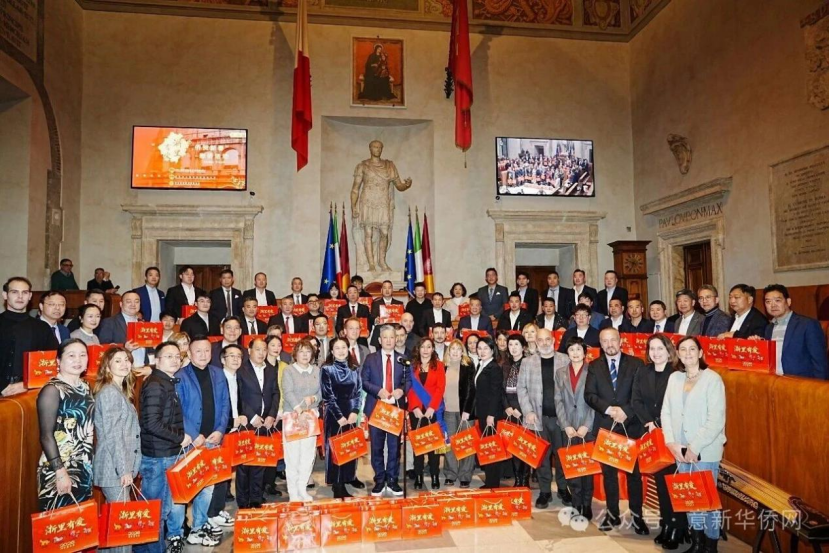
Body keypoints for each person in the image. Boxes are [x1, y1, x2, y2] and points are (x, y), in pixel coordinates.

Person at [662, 336, 726, 553]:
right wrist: (671, 443)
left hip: (704, 451)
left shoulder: (712, 379)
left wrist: (694, 447)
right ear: (678, 354)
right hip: (679, 451)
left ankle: (710, 545)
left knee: (707, 501)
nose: (687, 353)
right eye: (683, 349)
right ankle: (697, 543)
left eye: (692, 349)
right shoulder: (674, 378)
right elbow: (666, 412)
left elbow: (715, 420)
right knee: (690, 497)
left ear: (700, 353)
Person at [584, 327, 649, 535]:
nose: (609, 344)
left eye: (613, 340)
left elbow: (641, 394)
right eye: (605, 341)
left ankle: (637, 517)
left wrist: (626, 411)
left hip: (630, 426)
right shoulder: (594, 366)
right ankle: (612, 514)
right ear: (600, 344)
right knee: (609, 475)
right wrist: (609, 409)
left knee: (634, 476)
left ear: (620, 341)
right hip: (606, 428)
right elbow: (590, 395)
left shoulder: (636, 364)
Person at [631, 334, 687, 549]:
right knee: (661, 483)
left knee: (674, 483)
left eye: (660, 348)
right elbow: (636, 400)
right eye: (652, 349)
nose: (655, 353)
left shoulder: (677, 373)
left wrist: (660, 424)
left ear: (669, 350)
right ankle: (666, 524)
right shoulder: (642, 371)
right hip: (652, 434)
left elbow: (679, 405)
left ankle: (677, 528)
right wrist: (649, 423)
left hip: (672, 434)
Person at [176, 336, 230, 547]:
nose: (203, 354)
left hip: (213, 439)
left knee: (207, 488)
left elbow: (225, 404)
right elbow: (177, 410)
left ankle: (198, 527)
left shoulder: (218, 373)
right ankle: (179, 531)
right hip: (191, 441)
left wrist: (220, 430)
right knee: (187, 488)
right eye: (198, 351)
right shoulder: (180, 376)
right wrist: (193, 433)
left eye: (207, 350)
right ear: (189, 354)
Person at [138, 341, 190, 553]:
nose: (175, 360)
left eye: (177, 356)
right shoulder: (155, 385)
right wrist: (180, 437)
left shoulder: (166, 381)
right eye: (169, 356)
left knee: (161, 509)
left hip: (166, 453)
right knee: (155, 512)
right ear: (157, 360)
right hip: (158, 457)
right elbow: (151, 423)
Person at [92, 346, 141, 553]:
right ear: (107, 366)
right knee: (123, 529)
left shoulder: (119, 390)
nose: (124, 364)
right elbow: (113, 435)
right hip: (114, 469)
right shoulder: (110, 393)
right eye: (118, 361)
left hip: (117, 468)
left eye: (127, 360)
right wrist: (124, 470)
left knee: (115, 527)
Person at [36, 339, 93, 511]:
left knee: (80, 523)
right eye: (71, 355)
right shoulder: (52, 390)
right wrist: (60, 472)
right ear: (58, 361)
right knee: (59, 524)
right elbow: (46, 436)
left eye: (82, 355)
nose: (78, 360)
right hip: (59, 467)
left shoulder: (85, 387)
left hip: (83, 466)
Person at [517, 328, 570, 507]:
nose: (545, 343)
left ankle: (563, 488)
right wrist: (528, 411)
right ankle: (545, 491)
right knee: (542, 457)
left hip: (561, 419)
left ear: (554, 340)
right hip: (538, 418)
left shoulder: (565, 359)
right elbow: (521, 389)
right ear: (536, 342)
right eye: (541, 340)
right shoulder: (527, 362)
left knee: (562, 456)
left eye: (548, 339)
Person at [362, 325, 409, 497]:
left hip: (394, 409)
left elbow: (408, 380)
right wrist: (378, 390)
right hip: (376, 407)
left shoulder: (403, 359)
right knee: (377, 447)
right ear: (380, 340)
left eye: (392, 337)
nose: (389, 340)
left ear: (396, 339)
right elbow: (364, 381)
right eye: (385, 337)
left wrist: (401, 390)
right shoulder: (370, 358)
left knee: (394, 448)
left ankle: (393, 480)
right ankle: (380, 480)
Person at [553, 337, 596, 521]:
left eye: (579, 349)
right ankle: (576, 502)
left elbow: (595, 401)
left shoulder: (593, 371)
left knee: (587, 467)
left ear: (585, 352)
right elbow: (558, 400)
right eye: (571, 350)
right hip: (568, 427)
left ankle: (586, 503)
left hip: (587, 427)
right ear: (567, 353)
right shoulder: (560, 372)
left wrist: (587, 425)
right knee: (572, 466)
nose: (575, 353)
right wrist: (566, 425)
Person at [207, 344, 247, 534]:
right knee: (217, 475)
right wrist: (232, 421)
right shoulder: (217, 378)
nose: (236, 359)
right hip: (220, 432)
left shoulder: (237, 377)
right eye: (231, 356)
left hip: (234, 432)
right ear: (222, 359)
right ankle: (211, 513)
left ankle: (218, 509)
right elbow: (218, 408)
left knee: (225, 474)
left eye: (239, 356)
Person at [236, 338, 279, 509]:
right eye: (258, 349)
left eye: (264, 350)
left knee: (260, 461)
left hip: (265, 422)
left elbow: (275, 393)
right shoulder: (241, 369)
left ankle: (256, 497)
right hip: (247, 422)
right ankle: (243, 501)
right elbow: (238, 396)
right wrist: (252, 416)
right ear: (249, 350)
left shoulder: (271, 369)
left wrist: (271, 415)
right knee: (244, 464)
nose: (262, 353)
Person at [319, 337, 363, 498]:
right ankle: (338, 485)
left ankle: (348, 478)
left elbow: (359, 392)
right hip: (334, 415)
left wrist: (355, 412)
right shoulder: (327, 369)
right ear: (331, 351)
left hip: (351, 414)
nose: (341, 351)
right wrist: (339, 417)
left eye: (343, 347)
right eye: (337, 348)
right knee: (336, 450)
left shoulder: (354, 368)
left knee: (350, 448)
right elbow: (328, 396)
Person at [1, 276, 58, 396]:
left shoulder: (42, 327)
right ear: (5, 295)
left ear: (30, 296)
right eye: (14, 292)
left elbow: (52, 363)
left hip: (30, 392)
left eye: (25, 292)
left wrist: (26, 384)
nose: (20, 296)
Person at [281, 338, 322, 502]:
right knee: (292, 457)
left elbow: (321, 392)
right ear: (295, 354)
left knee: (308, 456)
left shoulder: (316, 370)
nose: (305, 355)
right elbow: (287, 392)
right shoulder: (289, 370)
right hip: (293, 417)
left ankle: (302, 489)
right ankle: (293, 493)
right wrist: (300, 411)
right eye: (301, 352)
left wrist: (313, 398)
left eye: (308, 352)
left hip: (311, 417)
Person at [462, 335, 504, 489]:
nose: (482, 351)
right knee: (486, 447)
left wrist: (491, 415)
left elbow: (496, 393)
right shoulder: (481, 365)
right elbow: (475, 391)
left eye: (486, 348)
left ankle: (493, 483)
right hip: (482, 413)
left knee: (492, 448)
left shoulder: (494, 368)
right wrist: (468, 410)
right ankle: (490, 481)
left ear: (492, 350)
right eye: (479, 348)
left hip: (491, 415)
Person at [762, 284, 829, 379]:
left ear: (788, 302)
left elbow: (820, 361)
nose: (773, 305)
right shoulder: (769, 328)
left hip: (801, 382)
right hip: (776, 381)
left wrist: (819, 385)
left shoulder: (807, 324)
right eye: (768, 302)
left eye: (777, 300)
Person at [408, 337, 447, 490]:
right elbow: (410, 388)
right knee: (418, 445)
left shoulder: (439, 365)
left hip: (433, 410)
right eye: (423, 347)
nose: (425, 350)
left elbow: (440, 388)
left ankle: (434, 474)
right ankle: (418, 475)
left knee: (433, 444)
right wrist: (415, 407)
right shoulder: (412, 366)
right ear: (418, 349)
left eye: (429, 347)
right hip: (417, 411)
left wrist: (432, 407)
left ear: (433, 349)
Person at [442, 339, 475, 488]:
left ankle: (465, 475)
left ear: (463, 352)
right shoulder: (443, 367)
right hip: (448, 411)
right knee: (449, 444)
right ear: (448, 352)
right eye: (452, 349)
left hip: (465, 412)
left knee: (466, 444)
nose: (455, 352)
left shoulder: (468, 366)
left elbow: (471, 390)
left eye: (458, 349)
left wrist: (467, 410)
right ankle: (450, 474)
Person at [503, 334, 529, 488]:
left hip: (524, 409)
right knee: (512, 446)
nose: (513, 348)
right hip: (509, 410)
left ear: (523, 347)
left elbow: (531, 390)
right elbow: (501, 389)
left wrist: (520, 409)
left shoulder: (529, 363)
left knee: (524, 446)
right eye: (510, 344)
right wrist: (507, 406)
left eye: (516, 344)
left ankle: (525, 478)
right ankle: (517, 478)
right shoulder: (505, 364)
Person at [98, 291, 149, 367]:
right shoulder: (109, 322)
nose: (133, 304)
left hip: (143, 367)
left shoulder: (144, 324)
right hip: (122, 368)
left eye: (136, 302)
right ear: (121, 304)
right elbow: (104, 347)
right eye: (129, 301)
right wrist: (124, 347)